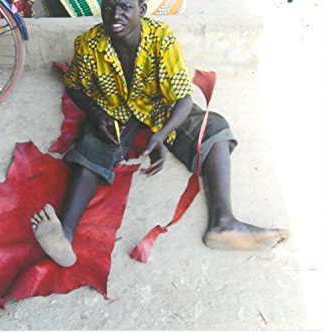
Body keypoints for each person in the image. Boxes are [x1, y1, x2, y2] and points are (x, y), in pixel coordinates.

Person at [30, 0, 289, 267]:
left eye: (124, 7)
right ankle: (65, 234)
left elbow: (183, 100)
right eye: (108, 7)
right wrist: (96, 115)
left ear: (141, 10)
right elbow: (74, 86)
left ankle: (223, 223)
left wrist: (161, 134)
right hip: (113, 107)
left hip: (158, 105)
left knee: (214, 129)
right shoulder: (89, 44)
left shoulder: (162, 39)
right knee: (90, 150)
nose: (115, 15)